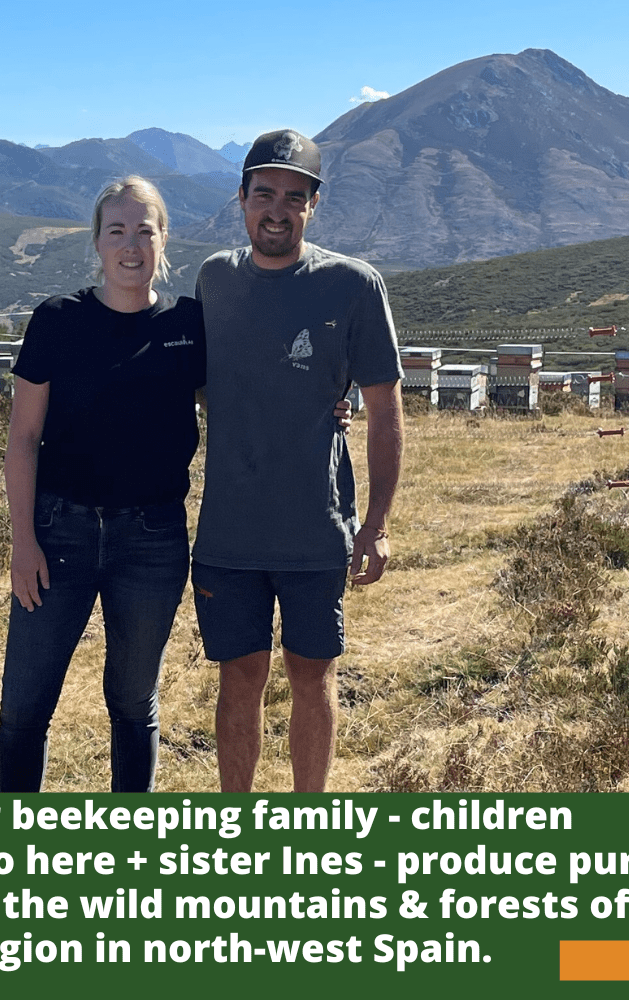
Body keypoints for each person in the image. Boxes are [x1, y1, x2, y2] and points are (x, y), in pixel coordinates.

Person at [192, 129, 405, 793]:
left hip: (316, 528)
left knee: (312, 678)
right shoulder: (213, 279)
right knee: (239, 679)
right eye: (263, 194)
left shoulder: (353, 286)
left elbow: (388, 410)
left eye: (293, 196)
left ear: (314, 205)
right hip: (228, 532)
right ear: (241, 199)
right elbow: (203, 381)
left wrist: (376, 523)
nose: (276, 210)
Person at [0, 175, 204, 793]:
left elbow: (249, 394)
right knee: (25, 706)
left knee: (133, 703)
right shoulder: (57, 321)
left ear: (164, 240)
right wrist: (22, 541)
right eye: (117, 230)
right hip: (58, 535)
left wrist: (331, 403)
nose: (131, 244)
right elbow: (22, 440)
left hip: (153, 541)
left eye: (145, 230)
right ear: (97, 242)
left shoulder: (190, 326)